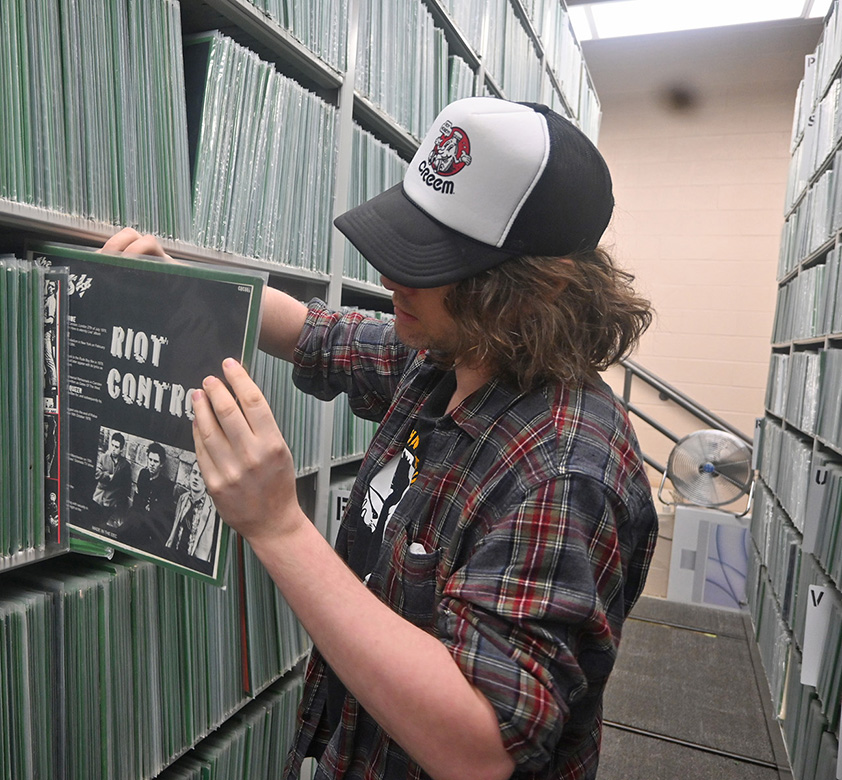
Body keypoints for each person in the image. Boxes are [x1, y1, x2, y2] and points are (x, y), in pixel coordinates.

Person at [102, 96, 657, 780]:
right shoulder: (452, 356)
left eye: (432, 260)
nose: (392, 276)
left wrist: (278, 526)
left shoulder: (566, 476)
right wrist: (179, 284)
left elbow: (481, 748)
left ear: (530, 289)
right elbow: (320, 334)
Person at [165, 461, 218, 563]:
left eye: (201, 475)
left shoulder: (213, 509)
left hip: (194, 561)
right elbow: (175, 529)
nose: (196, 477)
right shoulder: (182, 498)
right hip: (176, 554)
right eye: (194, 472)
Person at [130, 441, 176, 546]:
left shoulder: (166, 485)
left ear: (161, 464)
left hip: (150, 528)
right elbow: (137, 499)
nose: (151, 464)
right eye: (150, 459)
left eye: (155, 461)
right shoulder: (143, 474)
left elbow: (159, 514)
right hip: (136, 518)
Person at [92, 431, 132, 528]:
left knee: (103, 526)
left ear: (121, 449)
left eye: (116, 447)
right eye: (112, 445)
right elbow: (96, 473)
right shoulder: (103, 458)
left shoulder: (125, 465)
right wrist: (108, 477)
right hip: (98, 498)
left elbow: (126, 486)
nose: (113, 449)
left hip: (111, 502)